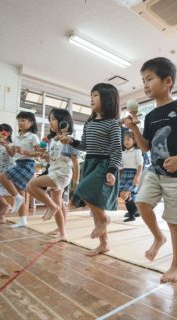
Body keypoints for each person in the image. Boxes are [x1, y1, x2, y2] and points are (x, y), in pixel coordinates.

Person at [124, 57, 177, 283]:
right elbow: (145, 146)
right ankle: (158, 238)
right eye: (143, 80)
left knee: (174, 220)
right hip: (155, 172)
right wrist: (135, 129)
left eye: (149, 79)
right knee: (141, 202)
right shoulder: (149, 116)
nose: (145, 85)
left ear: (168, 81)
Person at [61, 83, 122, 256]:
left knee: (81, 190)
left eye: (95, 95)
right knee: (96, 204)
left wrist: (112, 170)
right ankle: (104, 244)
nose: (92, 99)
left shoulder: (113, 124)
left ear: (108, 99)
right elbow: (85, 146)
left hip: (104, 165)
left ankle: (104, 219)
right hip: (90, 163)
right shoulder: (89, 123)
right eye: (91, 96)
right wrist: (71, 141)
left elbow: (117, 150)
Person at [27, 108, 80, 243]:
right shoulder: (53, 141)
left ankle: (51, 207)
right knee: (59, 202)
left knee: (31, 184)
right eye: (50, 119)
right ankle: (62, 232)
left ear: (64, 122)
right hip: (54, 171)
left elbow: (75, 161)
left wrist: (76, 179)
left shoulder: (68, 140)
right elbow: (53, 158)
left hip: (62, 174)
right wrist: (46, 156)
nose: (51, 122)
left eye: (54, 119)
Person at [0, 111, 40, 229]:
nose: (20, 123)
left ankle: (17, 198)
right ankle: (23, 220)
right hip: (18, 163)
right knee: (20, 192)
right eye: (19, 120)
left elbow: (38, 154)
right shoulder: (16, 137)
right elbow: (12, 154)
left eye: (23, 120)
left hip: (28, 165)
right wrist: (6, 145)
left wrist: (25, 152)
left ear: (30, 123)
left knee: (2, 176)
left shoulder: (33, 137)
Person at [119, 131, 143, 222]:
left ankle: (132, 214)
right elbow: (121, 166)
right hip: (124, 174)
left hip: (133, 174)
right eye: (124, 140)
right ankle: (133, 211)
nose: (126, 141)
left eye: (128, 139)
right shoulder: (123, 153)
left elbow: (140, 165)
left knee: (125, 195)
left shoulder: (137, 151)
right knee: (123, 195)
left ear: (134, 140)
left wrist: (137, 176)